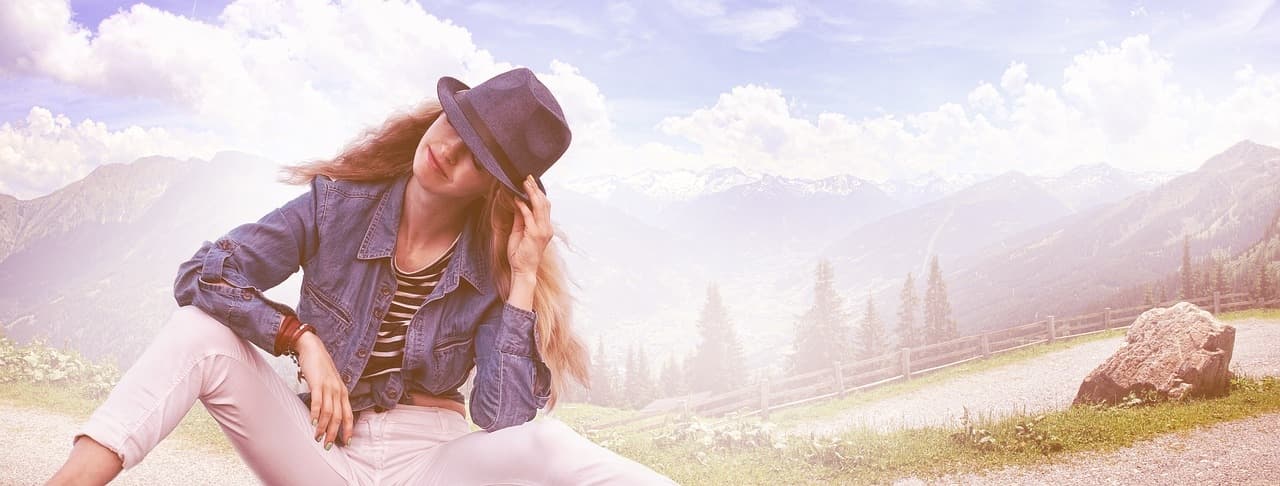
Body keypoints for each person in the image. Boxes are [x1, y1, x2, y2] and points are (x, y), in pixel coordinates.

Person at [47, 67, 676, 485]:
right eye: (453, 125)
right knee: (196, 333)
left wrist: (522, 278)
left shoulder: (493, 265)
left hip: (432, 461)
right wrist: (299, 337)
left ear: (497, 187)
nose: (448, 150)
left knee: (552, 446)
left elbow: (506, 426)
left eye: (477, 157)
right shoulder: (335, 206)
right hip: (323, 449)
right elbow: (203, 275)